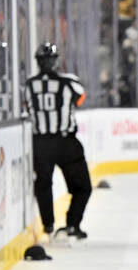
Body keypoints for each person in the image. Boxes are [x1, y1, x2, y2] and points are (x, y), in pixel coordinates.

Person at [23, 43, 93, 240]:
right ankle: (72, 224)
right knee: (83, 187)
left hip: (41, 143)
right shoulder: (69, 82)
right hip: (65, 143)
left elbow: (26, 107)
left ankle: (48, 225)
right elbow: (80, 100)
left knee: (43, 185)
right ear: (56, 61)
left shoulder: (29, 85)